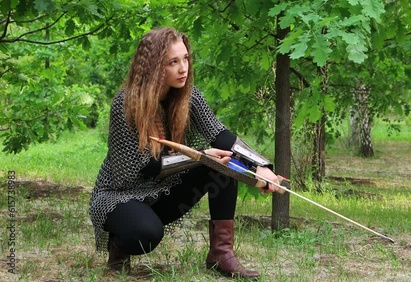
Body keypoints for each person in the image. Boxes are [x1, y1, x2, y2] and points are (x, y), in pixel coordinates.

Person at [89, 26, 279, 280]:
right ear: (155, 66)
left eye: (186, 58)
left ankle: (221, 255)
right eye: (173, 62)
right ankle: (119, 247)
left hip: (162, 190)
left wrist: (260, 167)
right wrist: (198, 155)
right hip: (119, 197)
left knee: (224, 163)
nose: (183, 68)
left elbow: (220, 136)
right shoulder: (126, 103)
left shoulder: (188, 97)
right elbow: (138, 170)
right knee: (146, 234)